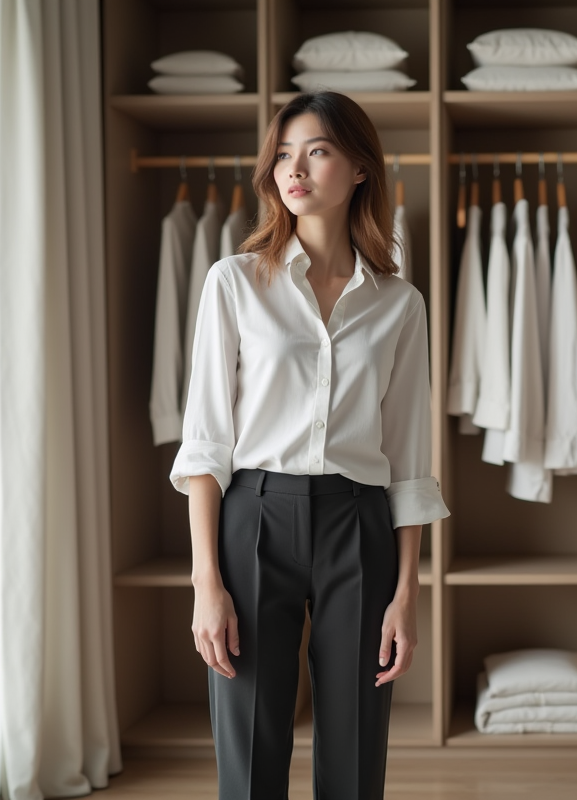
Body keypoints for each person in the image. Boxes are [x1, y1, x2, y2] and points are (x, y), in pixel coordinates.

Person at [168, 91, 449, 800]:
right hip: (254, 517)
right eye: (284, 154)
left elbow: (409, 460)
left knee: (355, 747)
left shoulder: (399, 304)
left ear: (360, 168)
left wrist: (407, 593)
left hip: (360, 525)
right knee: (249, 749)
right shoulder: (233, 283)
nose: (294, 169)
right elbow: (205, 445)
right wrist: (206, 583)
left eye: (317, 151)